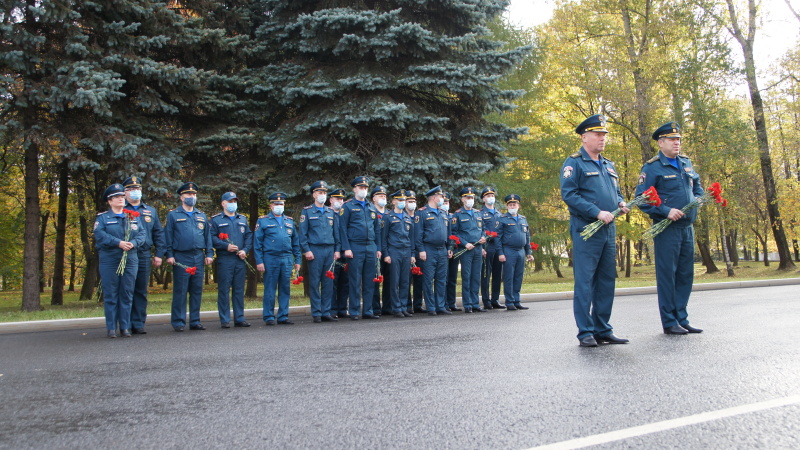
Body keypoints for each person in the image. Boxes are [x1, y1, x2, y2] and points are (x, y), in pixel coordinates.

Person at [560, 115, 630, 347]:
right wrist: (597, 212)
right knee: (585, 281)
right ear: (584, 137)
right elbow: (569, 195)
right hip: (586, 229)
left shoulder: (608, 164)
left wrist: (620, 203)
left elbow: (615, 192)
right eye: (598, 134)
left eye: (604, 135)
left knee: (606, 280)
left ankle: (603, 328)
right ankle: (586, 332)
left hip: (608, 229)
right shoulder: (574, 163)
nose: (602, 138)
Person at [635, 122, 704, 335]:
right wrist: (666, 211)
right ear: (661, 142)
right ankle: (669, 321)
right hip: (667, 229)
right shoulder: (653, 167)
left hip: (686, 227)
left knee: (685, 275)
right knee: (668, 276)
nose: (677, 143)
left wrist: (699, 198)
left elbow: (697, 185)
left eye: (679, 139)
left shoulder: (686, 163)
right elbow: (642, 199)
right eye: (673, 140)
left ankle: (682, 318)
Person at [94, 183, 145, 338]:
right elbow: (99, 235)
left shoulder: (132, 217)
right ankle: (111, 327)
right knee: (111, 294)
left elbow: (142, 234)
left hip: (130, 259)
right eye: (116, 197)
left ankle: (125, 326)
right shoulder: (103, 218)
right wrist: (118, 243)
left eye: (122, 197)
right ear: (109, 201)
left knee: (127, 293)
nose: (121, 199)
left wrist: (133, 243)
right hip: (110, 259)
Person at [164, 182, 214, 332]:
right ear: (181, 197)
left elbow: (207, 237)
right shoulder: (173, 215)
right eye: (188, 195)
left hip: (198, 256)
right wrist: (170, 255)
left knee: (196, 290)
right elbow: (168, 236)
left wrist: (209, 253)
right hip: (181, 256)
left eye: (194, 194)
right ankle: (179, 322)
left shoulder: (201, 215)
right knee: (180, 290)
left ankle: (195, 321)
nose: (191, 197)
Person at [123, 176, 165, 334]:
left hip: (144, 254)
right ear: (125, 193)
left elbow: (158, 234)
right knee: (127, 289)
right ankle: (125, 323)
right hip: (126, 253)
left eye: (138, 189)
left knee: (141, 289)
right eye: (132, 189)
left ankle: (138, 323)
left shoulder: (150, 211)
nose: (136, 192)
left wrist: (159, 254)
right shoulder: (121, 209)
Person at [254, 193, 302, 325]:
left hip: (286, 258)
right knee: (270, 288)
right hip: (270, 258)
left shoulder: (289, 221)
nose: (279, 206)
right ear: (271, 205)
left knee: (285, 288)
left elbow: (295, 243)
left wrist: (298, 260)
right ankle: (269, 316)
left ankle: (283, 316)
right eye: (276, 204)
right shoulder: (263, 221)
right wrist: (259, 261)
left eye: (281, 204)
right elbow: (257, 243)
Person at [338, 176, 382, 319]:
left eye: (365, 188)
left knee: (369, 281)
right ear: (354, 189)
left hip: (370, 246)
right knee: (355, 280)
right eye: (361, 187)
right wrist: (346, 248)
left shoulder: (371, 206)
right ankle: (355, 311)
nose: (363, 190)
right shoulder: (348, 206)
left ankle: (368, 311)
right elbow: (342, 228)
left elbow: (377, 230)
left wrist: (378, 248)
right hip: (355, 247)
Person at [299, 181, 340, 323]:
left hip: (329, 250)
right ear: (314, 195)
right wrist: (307, 250)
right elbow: (302, 234)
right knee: (315, 282)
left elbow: (336, 234)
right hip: (314, 250)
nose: (322, 195)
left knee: (328, 282)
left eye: (324, 193)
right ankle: (316, 312)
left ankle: (326, 311)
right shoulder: (307, 211)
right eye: (320, 193)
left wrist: (337, 250)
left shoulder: (330, 212)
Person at [210, 192, 253, 328]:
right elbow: (212, 238)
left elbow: (248, 236)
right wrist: (225, 246)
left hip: (239, 259)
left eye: (235, 201)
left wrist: (245, 250)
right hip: (225, 259)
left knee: (239, 289)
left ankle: (239, 318)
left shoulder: (242, 219)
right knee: (224, 290)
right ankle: (225, 319)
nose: (233, 204)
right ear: (223, 203)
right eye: (230, 201)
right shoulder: (216, 220)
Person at [414, 186, 453, 316]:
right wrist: (421, 250)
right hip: (428, 249)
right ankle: (431, 307)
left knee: (441, 279)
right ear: (434, 198)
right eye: (441, 197)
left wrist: (449, 248)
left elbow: (449, 234)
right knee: (428, 279)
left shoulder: (443, 213)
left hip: (442, 249)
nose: (443, 199)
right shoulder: (422, 213)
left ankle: (440, 306)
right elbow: (418, 234)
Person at [450, 187, 487, 313]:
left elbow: (483, 230)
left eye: (471, 197)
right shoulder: (458, 214)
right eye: (467, 197)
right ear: (462, 199)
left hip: (478, 249)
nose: (470, 200)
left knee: (476, 277)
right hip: (466, 251)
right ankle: (468, 304)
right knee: (467, 276)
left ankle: (475, 303)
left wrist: (483, 237)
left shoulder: (478, 213)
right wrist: (465, 244)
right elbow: (454, 233)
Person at [496, 194, 534, 311]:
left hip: (520, 251)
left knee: (518, 277)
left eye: (514, 204)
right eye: (510, 205)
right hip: (508, 251)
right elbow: (498, 238)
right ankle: (510, 301)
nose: (512, 206)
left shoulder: (523, 219)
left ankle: (517, 301)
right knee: (509, 277)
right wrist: (500, 253)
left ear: (519, 206)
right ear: (507, 206)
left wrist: (529, 252)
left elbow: (527, 237)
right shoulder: (502, 219)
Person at [381, 189, 416, 318]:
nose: (402, 202)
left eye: (404, 200)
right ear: (394, 201)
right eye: (400, 200)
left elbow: (411, 238)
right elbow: (383, 238)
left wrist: (412, 254)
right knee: (394, 281)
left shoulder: (407, 217)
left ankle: (403, 306)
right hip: (394, 251)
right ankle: (396, 307)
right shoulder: (388, 217)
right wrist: (386, 254)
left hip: (406, 251)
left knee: (405, 281)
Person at [480, 187, 505, 310]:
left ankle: (495, 299)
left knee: (497, 275)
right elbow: (480, 230)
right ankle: (486, 300)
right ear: (484, 199)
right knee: (486, 274)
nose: (491, 198)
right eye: (488, 196)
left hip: (498, 247)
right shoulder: (480, 213)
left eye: (492, 196)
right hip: (487, 246)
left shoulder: (499, 213)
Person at [370, 185, 392, 316]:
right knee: (375, 279)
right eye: (380, 196)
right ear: (374, 198)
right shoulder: (371, 212)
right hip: (376, 251)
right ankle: (375, 308)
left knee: (389, 280)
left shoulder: (390, 214)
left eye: (384, 196)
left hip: (389, 251)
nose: (383, 198)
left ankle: (387, 307)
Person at [328, 188, 350, 318]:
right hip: (332, 252)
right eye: (337, 199)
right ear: (331, 200)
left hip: (345, 252)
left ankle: (342, 309)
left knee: (345, 282)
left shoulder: (344, 214)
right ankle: (332, 309)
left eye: (342, 199)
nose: (340, 201)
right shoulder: (327, 213)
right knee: (332, 282)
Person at [405, 191, 425, 314]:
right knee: (406, 280)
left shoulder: (419, 216)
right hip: (406, 251)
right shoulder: (402, 216)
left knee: (419, 279)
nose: (412, 204)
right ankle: (407, 305)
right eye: (409, 201)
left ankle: (417, 305)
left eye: (413, 201)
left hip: (419, 251)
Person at [443, 192, 463, 312]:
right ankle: (443, 303)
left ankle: (451, 302)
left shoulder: (452, 217)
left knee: (452, 278)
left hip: (453, 250)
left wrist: (452, 248)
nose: (445, 205)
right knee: (443, 279)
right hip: (441, 250)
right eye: (444, 202)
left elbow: (455, 234)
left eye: (447, 202)